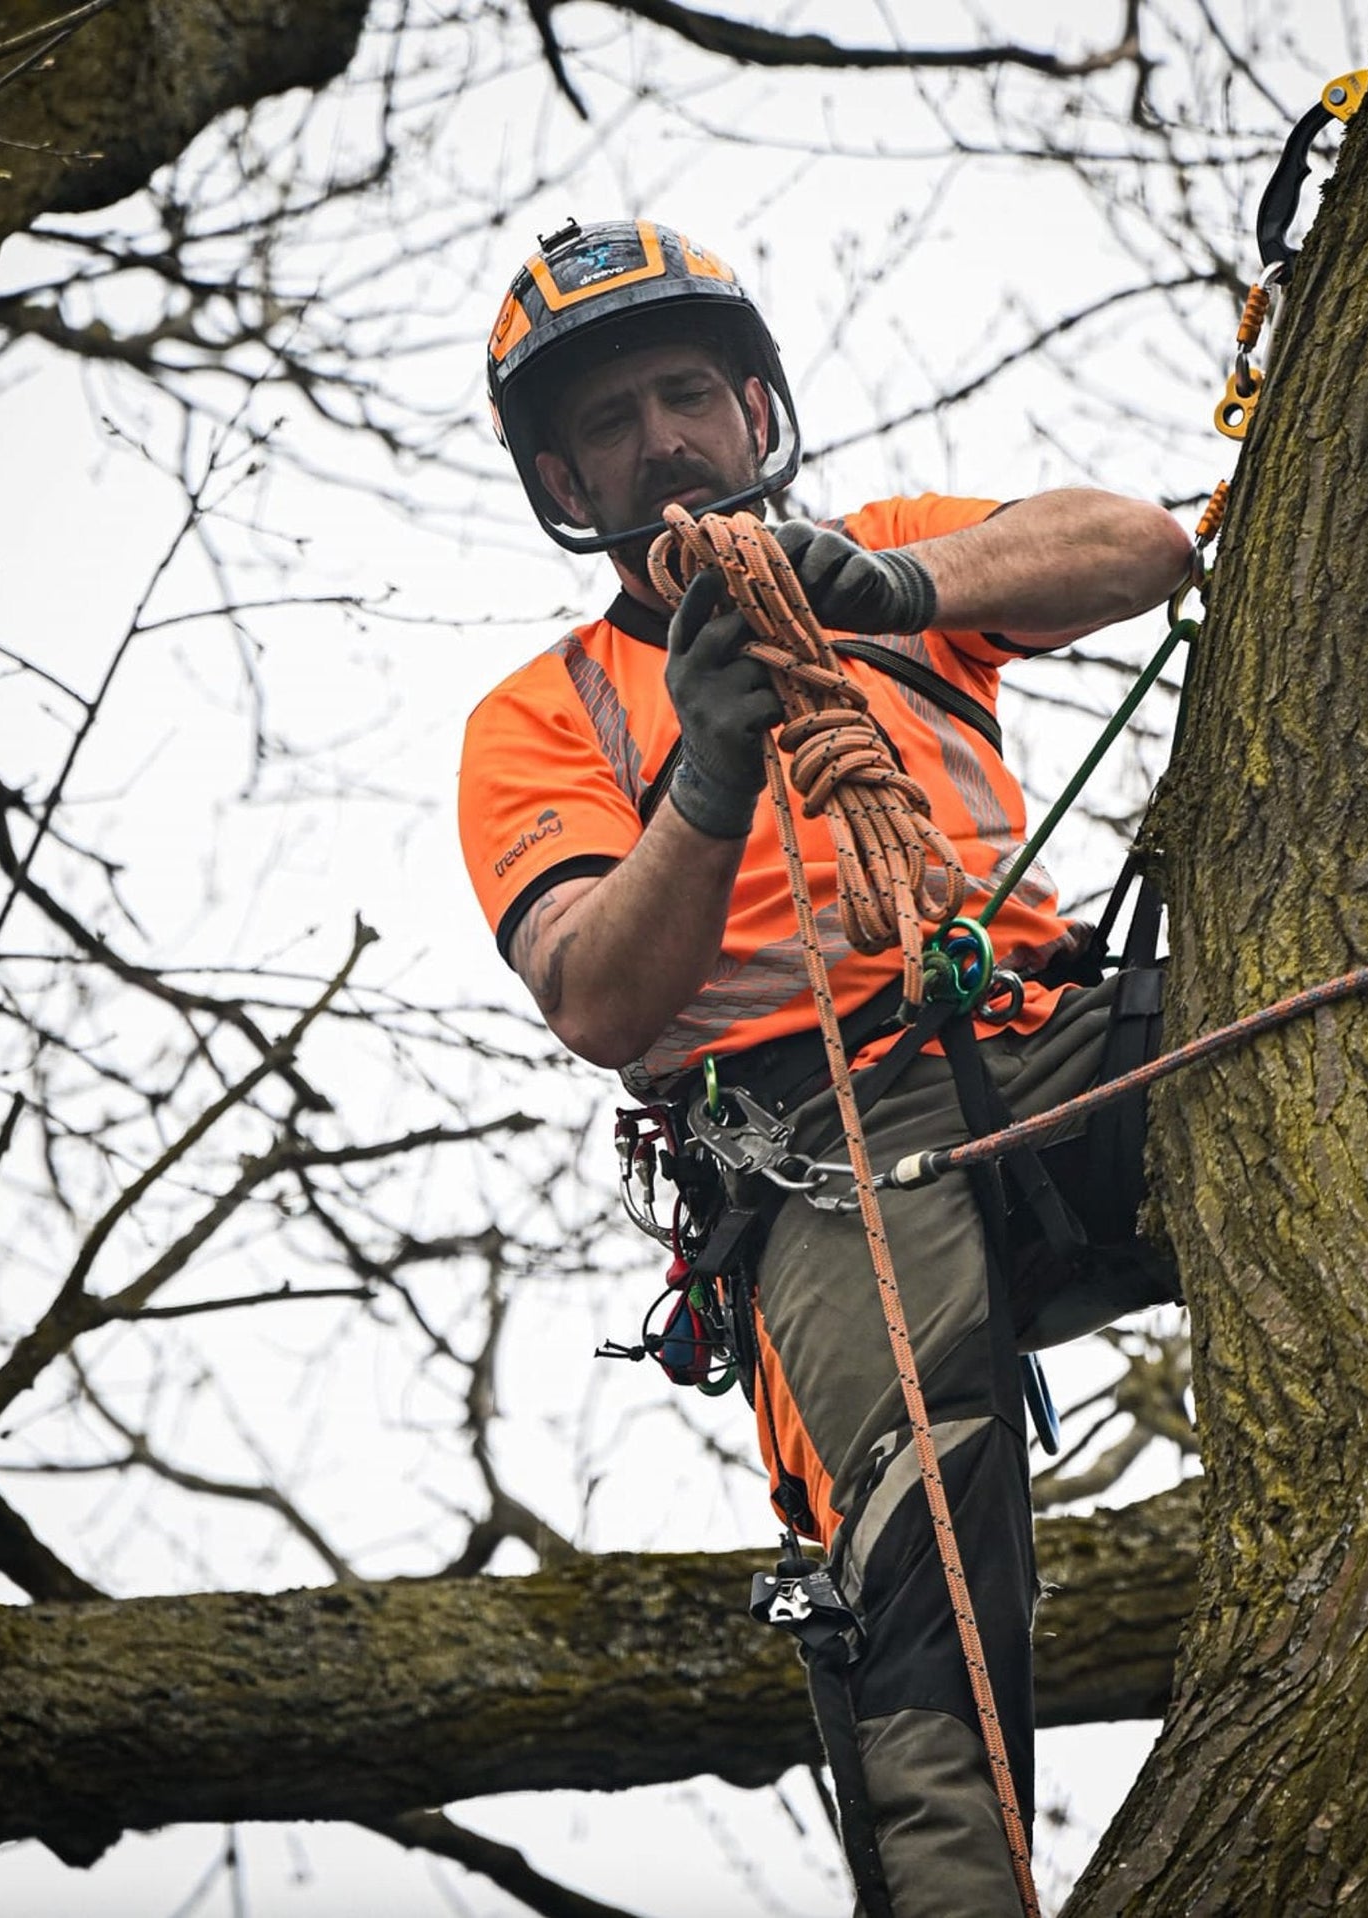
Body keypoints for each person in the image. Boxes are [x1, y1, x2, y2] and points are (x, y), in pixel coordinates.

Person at [459, 217, 1192, 1918]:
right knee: (921, 1538)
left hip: (1036, 1036)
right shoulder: (545, 715)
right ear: (562, 472)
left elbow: (1140, 544)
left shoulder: (888, 559)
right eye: (616, 420)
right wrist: (711, 773)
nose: (663, 441)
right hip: (810, 1147)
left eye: (685, 394)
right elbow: (593, 990)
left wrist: (898, 593)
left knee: (1320, 1061)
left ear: (752, 403)